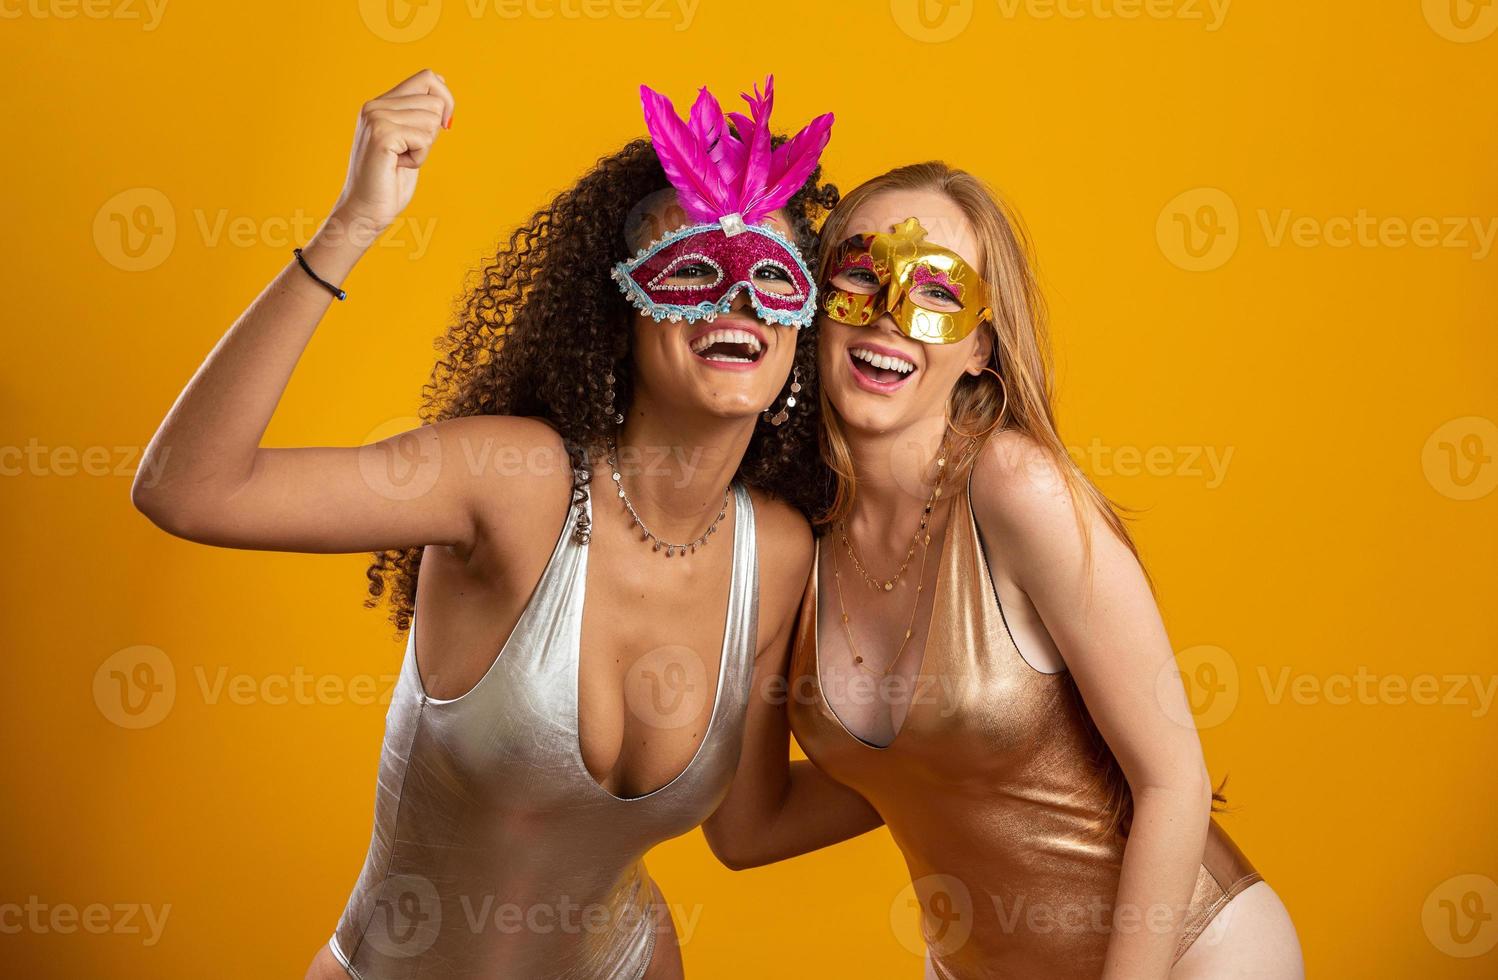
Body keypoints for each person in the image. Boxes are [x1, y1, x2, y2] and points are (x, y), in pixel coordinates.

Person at [131, 69, 838, 979]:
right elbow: (188, 489)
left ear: (803, 325)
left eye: (772, 279)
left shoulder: (775, 552)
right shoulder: (513, 484)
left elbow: (747, 829)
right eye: (693, 270)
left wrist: (972, 765)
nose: (733, 302)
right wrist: (354, 223)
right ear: (616, 309)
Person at [706, 163, 1304, 979]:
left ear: (981, 347)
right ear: (813, 310)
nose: (888, 317)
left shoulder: (1017, 489)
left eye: (937, 294)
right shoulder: (786, 544)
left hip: (1193, 958)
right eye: (858, 274)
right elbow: (749, 832)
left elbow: (1174, 781)